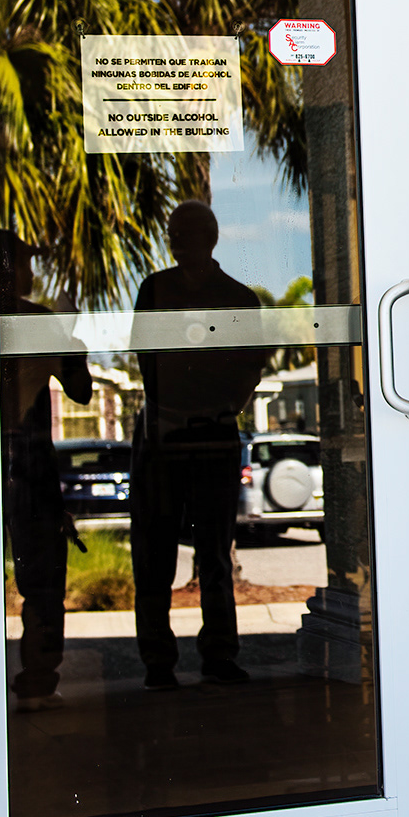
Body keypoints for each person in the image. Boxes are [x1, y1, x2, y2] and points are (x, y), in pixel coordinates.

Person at [129, 200, 271, 690]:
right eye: (173, 232)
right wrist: (169, 411)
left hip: (212, 435)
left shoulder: (237, 297)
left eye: (185, 231)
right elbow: (144, 357)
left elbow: (252, 366)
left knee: (213, 551)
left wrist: (219, 406)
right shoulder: (154, 289)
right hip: (162, 435)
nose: (177, 240)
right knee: (154, 551)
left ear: (208, 238)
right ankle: (157, 661)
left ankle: (218, 654)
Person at [0, 230, 93, 709]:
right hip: (28, 462)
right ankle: (38, 678)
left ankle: (33, 679)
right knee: (41, 578)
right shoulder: (38, 322)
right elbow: (80, 389)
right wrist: (68, 335)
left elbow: (79, 391)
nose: (32, 271)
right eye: (26, 261)